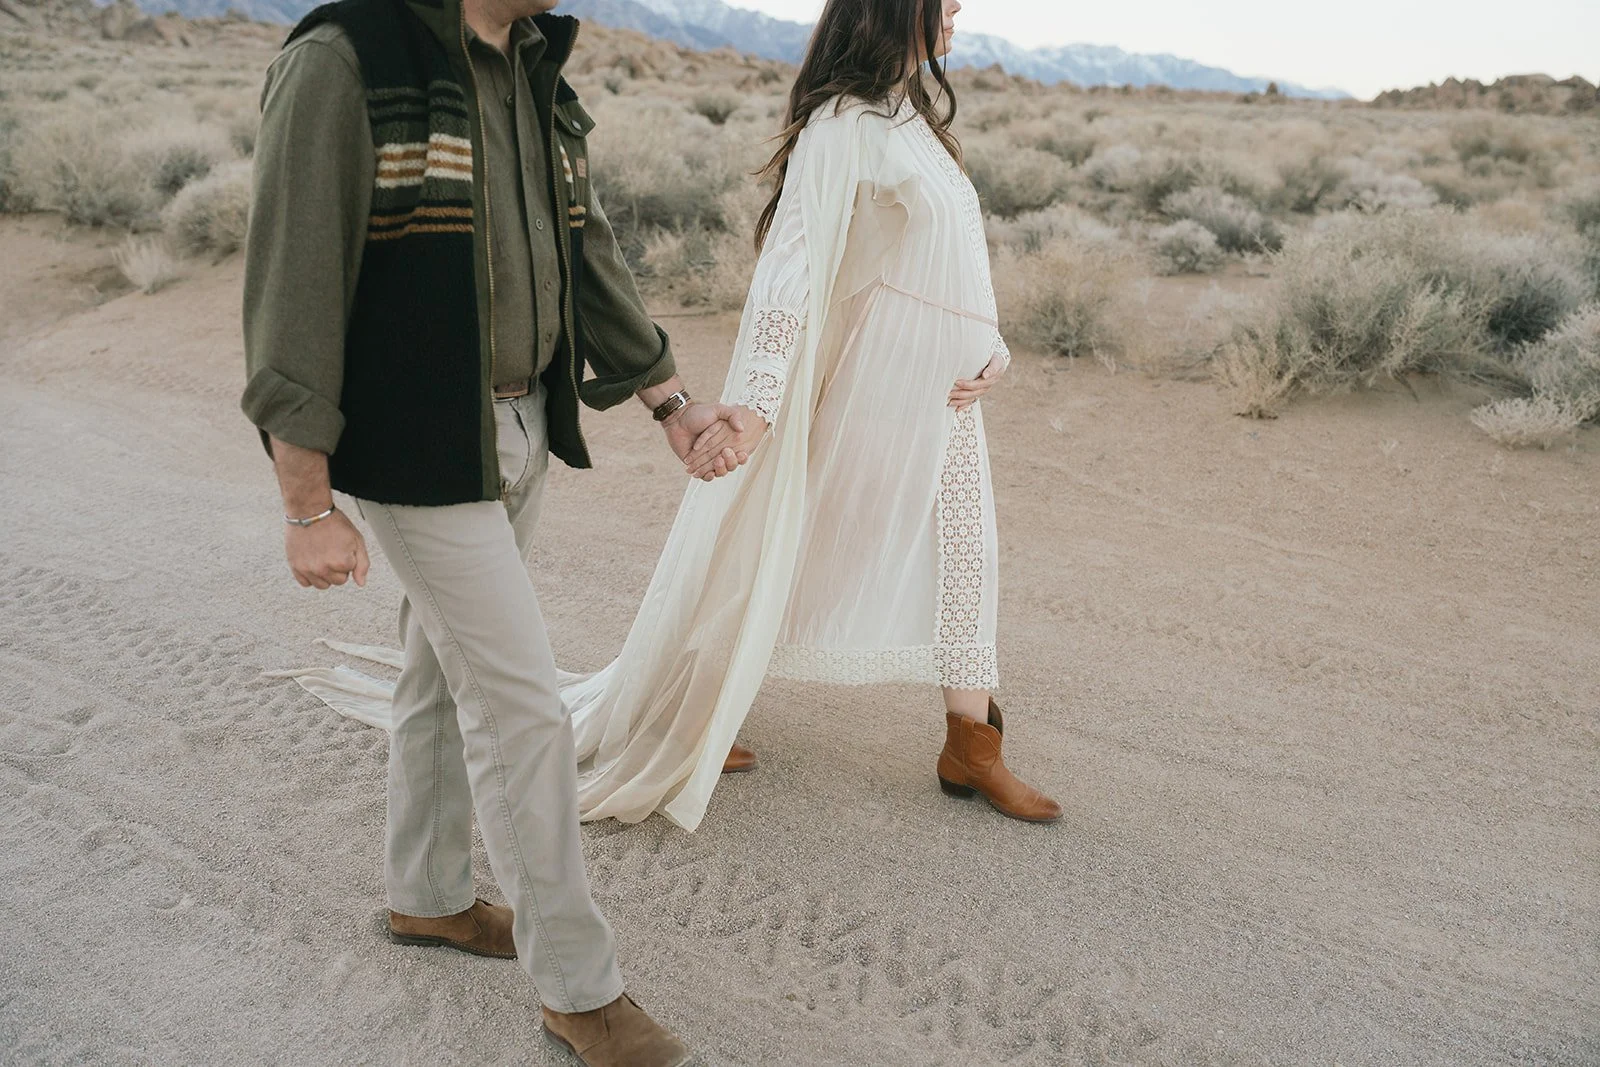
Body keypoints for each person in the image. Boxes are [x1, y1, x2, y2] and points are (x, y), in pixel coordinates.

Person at [239, 0, 744, 1059]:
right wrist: (306, 501)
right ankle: (578, 986)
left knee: (440, 666)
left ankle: (427, 891)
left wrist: (670, 400)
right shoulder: (346, 57)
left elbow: (583, 247)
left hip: (517, 423)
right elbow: (292, 278)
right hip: (416, 436)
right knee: (523, 708)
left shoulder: (528, 64)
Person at [557, 0, 1064, 830]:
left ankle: (971, 746)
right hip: (874, 382)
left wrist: (991, 346)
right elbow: (791, 272)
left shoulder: (909, 116)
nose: (960, 7)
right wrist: (758, 403)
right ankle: (693, 711)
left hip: (943, 395)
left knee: (967, 549)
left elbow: (949, 257)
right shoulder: (843, 123)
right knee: (785, 536)